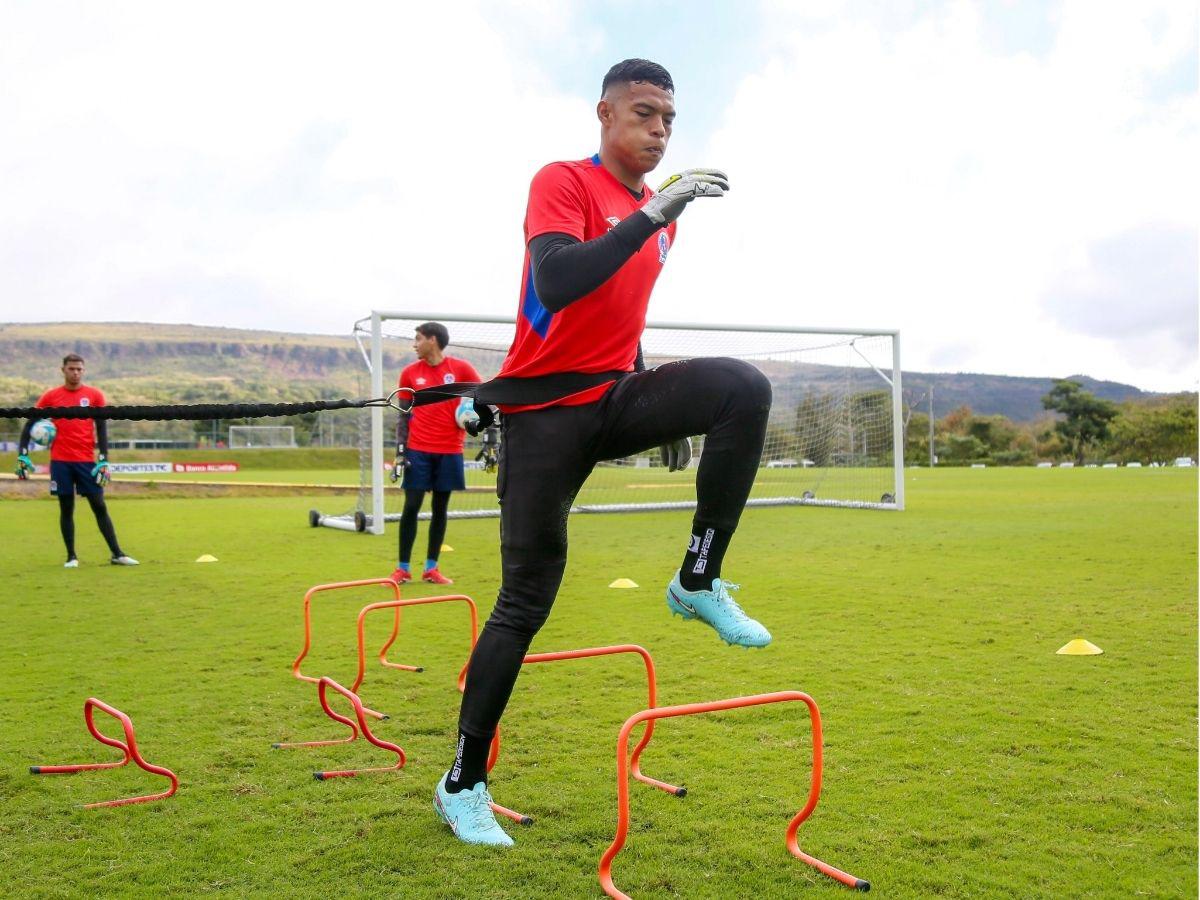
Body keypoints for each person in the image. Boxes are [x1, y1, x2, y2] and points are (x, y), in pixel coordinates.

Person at [432, 59, 773, 847]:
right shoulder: (564, 182)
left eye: (670, 122)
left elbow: (624, 317)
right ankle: (463, 782)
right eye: (645, 114)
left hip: (613, 398)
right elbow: (558, 283)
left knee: (741, 388)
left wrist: (664, 407)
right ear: (605, 113)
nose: (658, 130)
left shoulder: (659, 213)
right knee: (525, 601)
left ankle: (698, 576)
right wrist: (651, 217)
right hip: (544, 415)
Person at [16, 353, 138, 568]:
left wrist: (103, 459)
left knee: (99, 505)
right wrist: (23, 453)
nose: (75, 373)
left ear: (84, 371)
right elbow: (29, 424)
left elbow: (101, 428)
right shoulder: (51, 397)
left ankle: (117, 554)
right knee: (66, 507)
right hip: (61, 461)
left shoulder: (94, 396)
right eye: (71, 369)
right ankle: (71, 557)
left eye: (79, 369)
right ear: (62, 370)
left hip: (86, 461)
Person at [390, 322, 482, 585]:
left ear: (433, 340)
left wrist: (473, 417)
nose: (414, 344)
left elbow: (484, 397)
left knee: (440, 509)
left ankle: (431, 568)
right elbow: (402, 417)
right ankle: (402, 569)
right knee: (411, 507)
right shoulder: (409, 374)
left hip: (450, 451)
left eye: (418, 339)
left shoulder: (462, 369)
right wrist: (400, 451)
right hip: (417, 450)